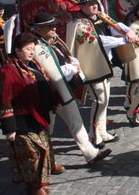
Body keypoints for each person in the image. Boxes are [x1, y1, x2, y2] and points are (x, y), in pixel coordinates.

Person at [30, 13, 112, 165]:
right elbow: (52, 72)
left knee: (76, 122)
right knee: (47, 129)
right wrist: (70, 69)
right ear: (39, 30)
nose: (54, 28)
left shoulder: (51, 42)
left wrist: (71, 61)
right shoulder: (38, 47)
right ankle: (47, 161)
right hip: (49, 94)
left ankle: (90, 153)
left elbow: (63, 57)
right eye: (49, 27)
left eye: (54, 25)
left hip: (63, 91)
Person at [0, 33, 62, 195]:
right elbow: (3, 99)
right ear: (17, 50)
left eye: (33, 48)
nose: (32, 52)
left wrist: (55, 101)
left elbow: (45, 84)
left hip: (38, 114)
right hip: (21, 119)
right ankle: (36, 187)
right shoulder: (7, 71)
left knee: (45, 148)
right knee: (33, 153)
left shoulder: (33, 65)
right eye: (28, 49)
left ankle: (37, 182)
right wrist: (9, 128)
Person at [66, 0, 139, 149]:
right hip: (91, 67)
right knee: (100, 100)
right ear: (83, 6)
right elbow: (98, 41)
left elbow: (115, 25)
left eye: (96, 3)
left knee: (105, 100)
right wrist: (123, 40)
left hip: (105, 64)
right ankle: (93, 135)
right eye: (91, 4)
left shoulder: (100, 16)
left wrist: (128, 31)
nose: (95, 6)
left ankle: (102, 131)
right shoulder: (79, 24)